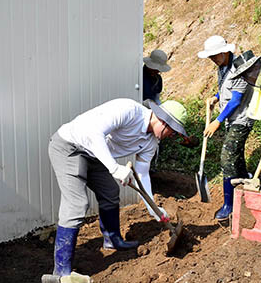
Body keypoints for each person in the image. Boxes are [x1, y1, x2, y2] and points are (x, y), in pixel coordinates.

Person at [45, 98, 189, 281]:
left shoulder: (151, 143)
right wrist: (114, 168)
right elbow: (93, 133)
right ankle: (61, 272)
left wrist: (154, 209)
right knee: (77, 204)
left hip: (94, 155)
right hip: (70, 146)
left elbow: (142, 175)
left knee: (111, 193)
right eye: (172, 131)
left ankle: (112, 240)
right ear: (162, 120)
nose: (172, 136)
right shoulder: (128, 110)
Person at [197, 35, 254, 220]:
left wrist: (218, 120)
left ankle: (229, 205)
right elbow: (226, 91)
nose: (213, 59)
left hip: (241, 119)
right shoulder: (222, 68)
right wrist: (216, 96)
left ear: (225, 52)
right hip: (231, 119)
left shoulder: (239, 68)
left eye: (215, 55)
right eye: (210, 56)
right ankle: (249, 183)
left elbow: (236, 99)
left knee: (227, 157)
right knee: (236, 156)